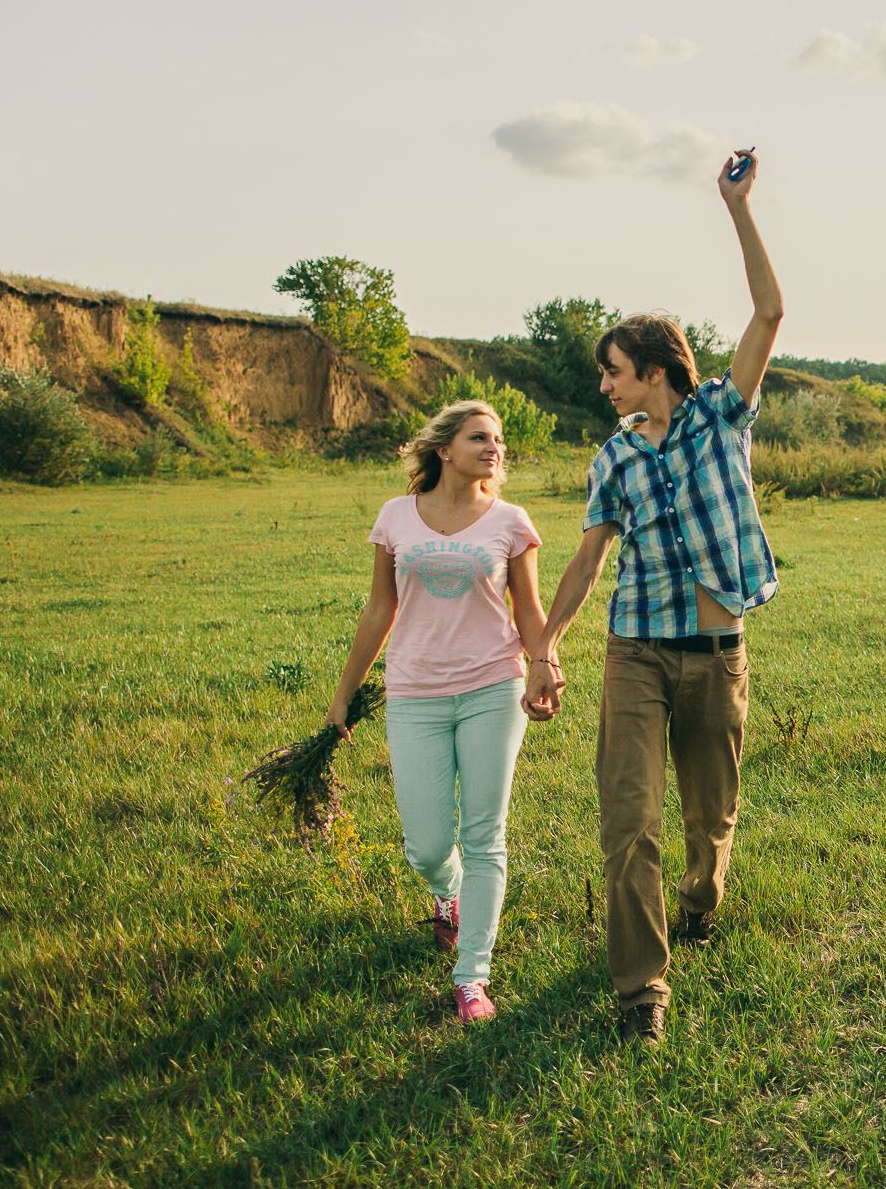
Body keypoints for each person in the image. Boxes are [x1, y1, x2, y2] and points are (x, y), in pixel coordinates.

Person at [530, 148, 783, 1047]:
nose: (603, 385)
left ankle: (702, 898)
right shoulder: (613, 457)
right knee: (628, 818)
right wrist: (545, 640)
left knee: (710, 819)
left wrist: (737, 207)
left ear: (654, 368)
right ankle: (642, 989)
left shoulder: (719, 415)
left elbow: (769, 312)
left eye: (613, 370)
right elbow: (588, 557)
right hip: (634, 651)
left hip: (715, 655)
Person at [326, 399, 557, 1024]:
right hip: (414, 693)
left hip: (492, 687)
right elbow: (380, 609)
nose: (494, 449)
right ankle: (446, 892)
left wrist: (545, 664)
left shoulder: (510, 521)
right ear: (444, 449)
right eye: (480, 437)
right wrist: (345, 692)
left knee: (484, 834)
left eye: (498, 440)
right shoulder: (396, 516)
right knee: (427, 844)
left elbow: (528, 609)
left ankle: (472, 976)